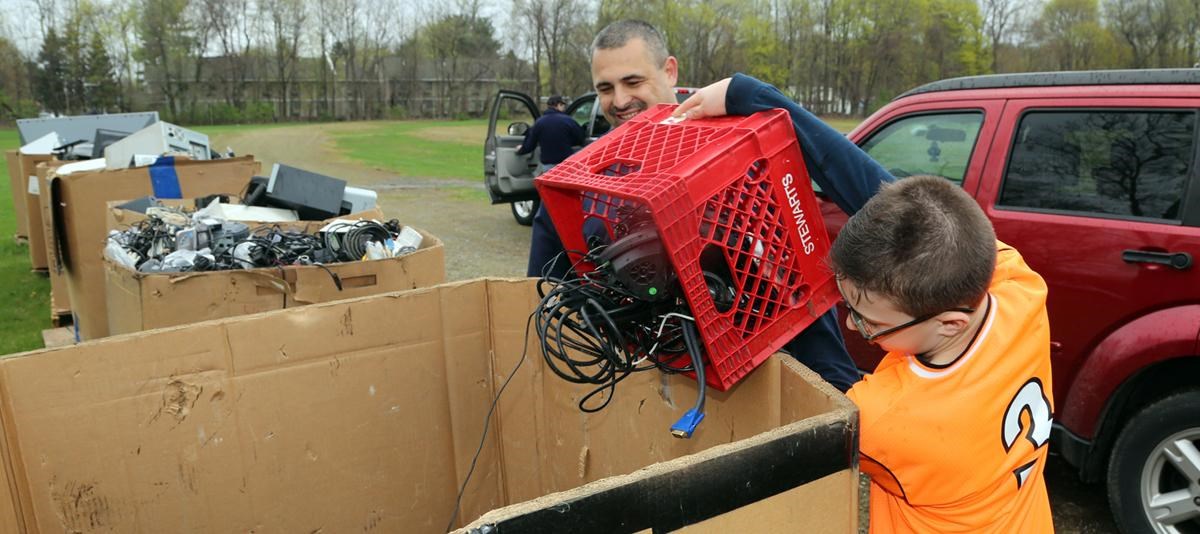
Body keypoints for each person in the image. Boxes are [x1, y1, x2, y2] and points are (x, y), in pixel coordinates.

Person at [679, 82, 1054, 532]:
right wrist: (753, 97)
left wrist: (768, 270)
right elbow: (913, 213)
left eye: (868, 320)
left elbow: (824, 376)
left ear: (950, 322)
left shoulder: (889, 419)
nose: (853, 329)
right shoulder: (1019, 289)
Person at [528, 20, 893, 393]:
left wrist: (754, 95)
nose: (620, 101)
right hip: (664, 387)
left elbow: (889, 203)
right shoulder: (580, 183)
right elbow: (548, 296)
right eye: (605, 88)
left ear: (669, 70)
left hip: (793, 373)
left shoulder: (742, 147)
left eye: (633, 82)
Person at [516, 94, 585, 176]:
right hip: (567, 165)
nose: (564, 108)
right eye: (563, 105)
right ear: (559, 105)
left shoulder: (539, 122)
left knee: (551, 188)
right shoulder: (569, 121)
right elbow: (581, 138)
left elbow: (530, 145)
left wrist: (520, 150)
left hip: (548, 167)